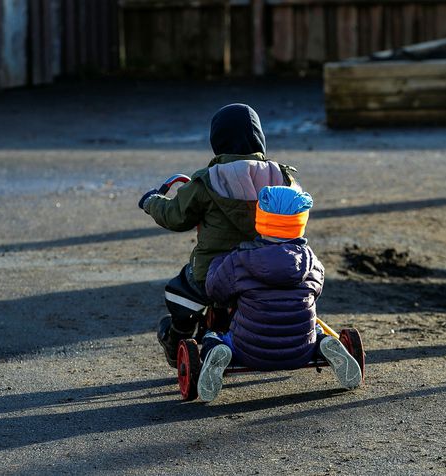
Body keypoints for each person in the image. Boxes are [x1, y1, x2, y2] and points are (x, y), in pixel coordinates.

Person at [138, 104, 298, 367]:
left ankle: (176, 335)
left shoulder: (206, 180)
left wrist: (151, 202)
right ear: (259, 138)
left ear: (217, 141)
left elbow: (176, 217)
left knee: (180, 288)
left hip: (215, 272)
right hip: (270, 268)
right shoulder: (282, 176)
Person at [198, 185, 363, 402]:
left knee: (212, 336)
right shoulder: (312, 263)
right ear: (301, 223)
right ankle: (322, 345)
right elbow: (316, 293)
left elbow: (215, 291)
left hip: (249, 352)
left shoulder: (239, 261)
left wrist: (218, 262)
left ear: (261, 219)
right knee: (314, 328)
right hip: (301, 351)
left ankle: (219, 350)